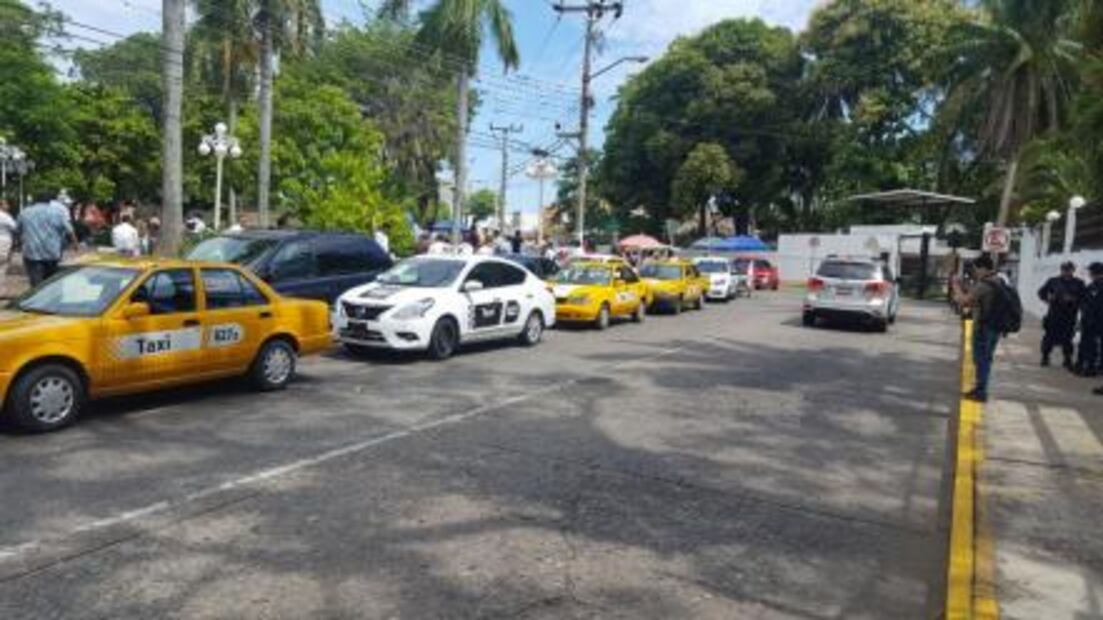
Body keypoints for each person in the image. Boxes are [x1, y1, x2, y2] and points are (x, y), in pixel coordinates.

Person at [952, 255, 1004, 403]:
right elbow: (978, 298)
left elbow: (964, 302)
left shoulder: (983, 285)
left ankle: (981, 391)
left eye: (976, 269)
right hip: (995, 328)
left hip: (983, 327)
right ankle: (980, 388)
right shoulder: (999, 281)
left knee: (981, 360)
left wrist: (955, 287)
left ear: (982, 268)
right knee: (986, 359)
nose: (975, 272)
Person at [15, 192, 76, 286]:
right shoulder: (57, 213)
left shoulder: (25, 212)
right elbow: (70, 230)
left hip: (32, 254)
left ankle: (37, 299)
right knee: (51, 285)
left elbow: (17, 231)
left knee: (36, 286)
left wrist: (18, 244)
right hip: (52, 254)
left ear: (35, 201)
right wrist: (76, 245)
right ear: (49, 201)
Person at [1037, 261, 1085, 369]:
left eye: (1069, 269)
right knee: (1049, 338)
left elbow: (1084, 298)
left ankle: (1067, 359)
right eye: (1064, 269)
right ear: (1061, 270)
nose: (1066, 272)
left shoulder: (1079, 283)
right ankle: (1045, 357)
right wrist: (1048, 298)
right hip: (1054, 314)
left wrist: (1073, 300)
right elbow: (1041, 292)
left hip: (1070, 315)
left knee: (1067, 339)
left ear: (1073, 270)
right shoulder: (1053, 281)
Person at [1078, 262, 1103, 378]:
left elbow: (1096, 305)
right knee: (1086, 345)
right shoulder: (1092, 286)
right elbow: (1084, 301)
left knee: (1093, 347)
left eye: (1091, 272)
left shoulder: (1099, 286)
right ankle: (1085, 366)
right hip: (1088, 322)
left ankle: (1092, 369)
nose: (1089, 274)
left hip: (1097, 324)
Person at [0, 200, 16, 288]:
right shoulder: (5, 217)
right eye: (6, 204)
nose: (8, 206)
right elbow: (15, 227)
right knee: (2, 266)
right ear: (1, 206)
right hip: (3, 242)